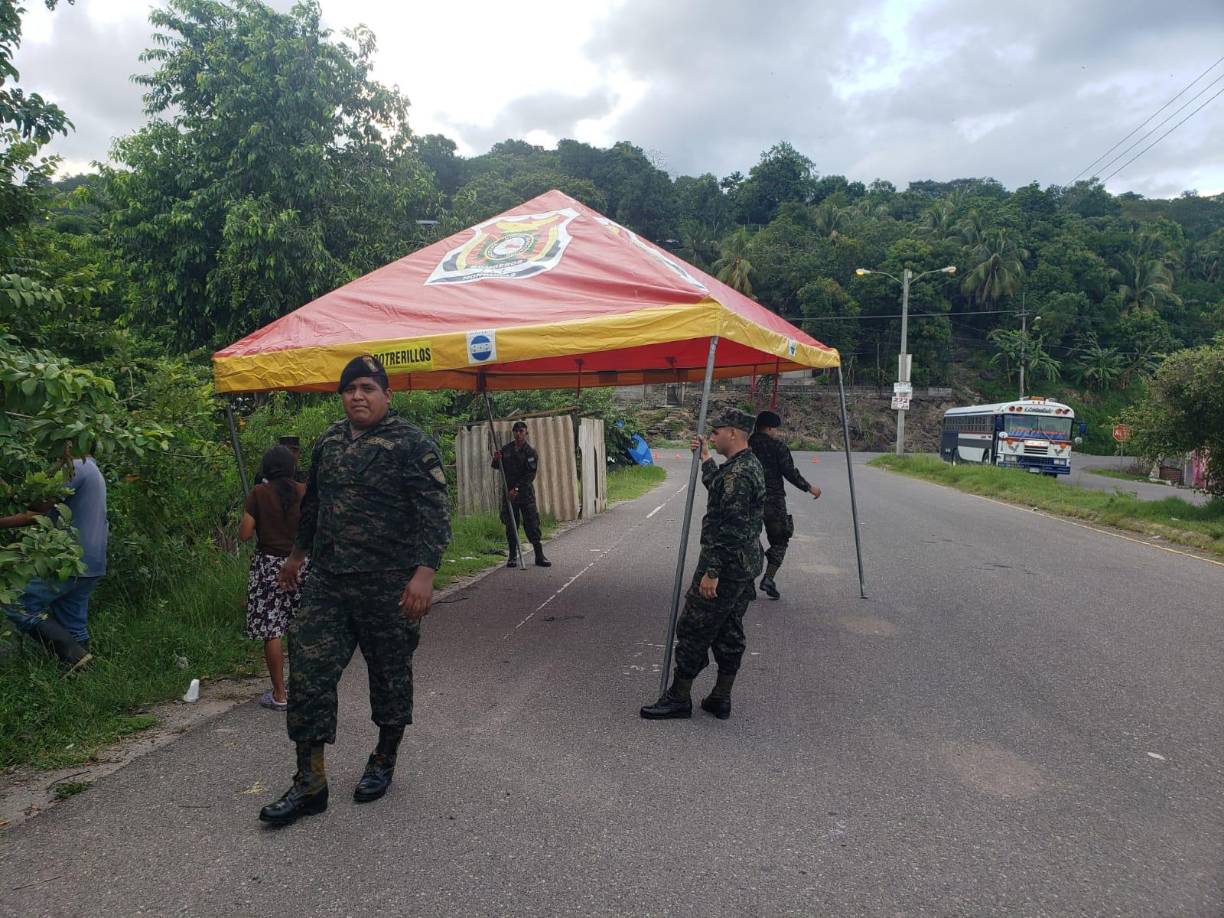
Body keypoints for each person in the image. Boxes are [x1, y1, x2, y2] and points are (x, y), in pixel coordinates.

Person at [258, 355, 451, 826]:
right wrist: (297, 556)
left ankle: (383, 758)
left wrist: (424, 574)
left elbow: (434, 512)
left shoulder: (412, 444)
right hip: (328, 582)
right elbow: (314, 506)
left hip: (390, 584)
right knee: (310, 673)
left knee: (389, 675)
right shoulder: (328, 441)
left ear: (387, 395)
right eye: (350, 389)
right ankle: (310, 782)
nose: (358, 396)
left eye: (367, 388)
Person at [641, 408, 764, 722]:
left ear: (732, 433)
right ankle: (720, 697)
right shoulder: (744, 465)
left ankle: (678, 698)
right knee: (728, 630)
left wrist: (712, 572)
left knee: (694, 628)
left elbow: (732, 529)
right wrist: (707, 457)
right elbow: (721, 490)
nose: (712, 436)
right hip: (742, 566)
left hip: (725, 567)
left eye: (716, 432)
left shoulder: (739, 474)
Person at [1, 456, 106, 670]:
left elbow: (39, 505)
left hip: (66, 558)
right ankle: (82, 676)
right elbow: (37, 514)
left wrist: (10, 491)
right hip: (89, 561)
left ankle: (74, 656)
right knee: (72, 622)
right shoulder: (91, 469)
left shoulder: (77, 467)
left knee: (14, 601)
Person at [238, 445, 307, 712]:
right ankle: (302, 690)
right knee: (301, 626)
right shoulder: (304, 491)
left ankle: (279, 694)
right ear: (291, 467)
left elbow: (245, 533)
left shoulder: (259, 493)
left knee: (272, 629)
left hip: (268, 566)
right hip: (301, 564)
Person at [749, 410, 820, 600]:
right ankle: (768, 578)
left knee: (746, 540)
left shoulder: (746, 444)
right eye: (775, 429)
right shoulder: (777, 446)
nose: (777, 433)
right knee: (780, 541)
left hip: (748, 500)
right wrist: (809, 487)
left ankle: (746, 583)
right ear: (769, 428)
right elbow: (789, 472)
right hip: (773, 501)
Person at [490, 420, 551, 568]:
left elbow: (530, 475)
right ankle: (512, 556)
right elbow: (496, 466)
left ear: (526, 433)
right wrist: (496, 459)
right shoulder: (506, 449)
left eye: (521, 431)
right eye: (516, 431)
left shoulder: (530, 452)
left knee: (532, 524)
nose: (518, 434)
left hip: (525, 494)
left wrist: (516, 489)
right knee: (511, 525)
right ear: (513, 432)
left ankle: (539, 556)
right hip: (510, 496)